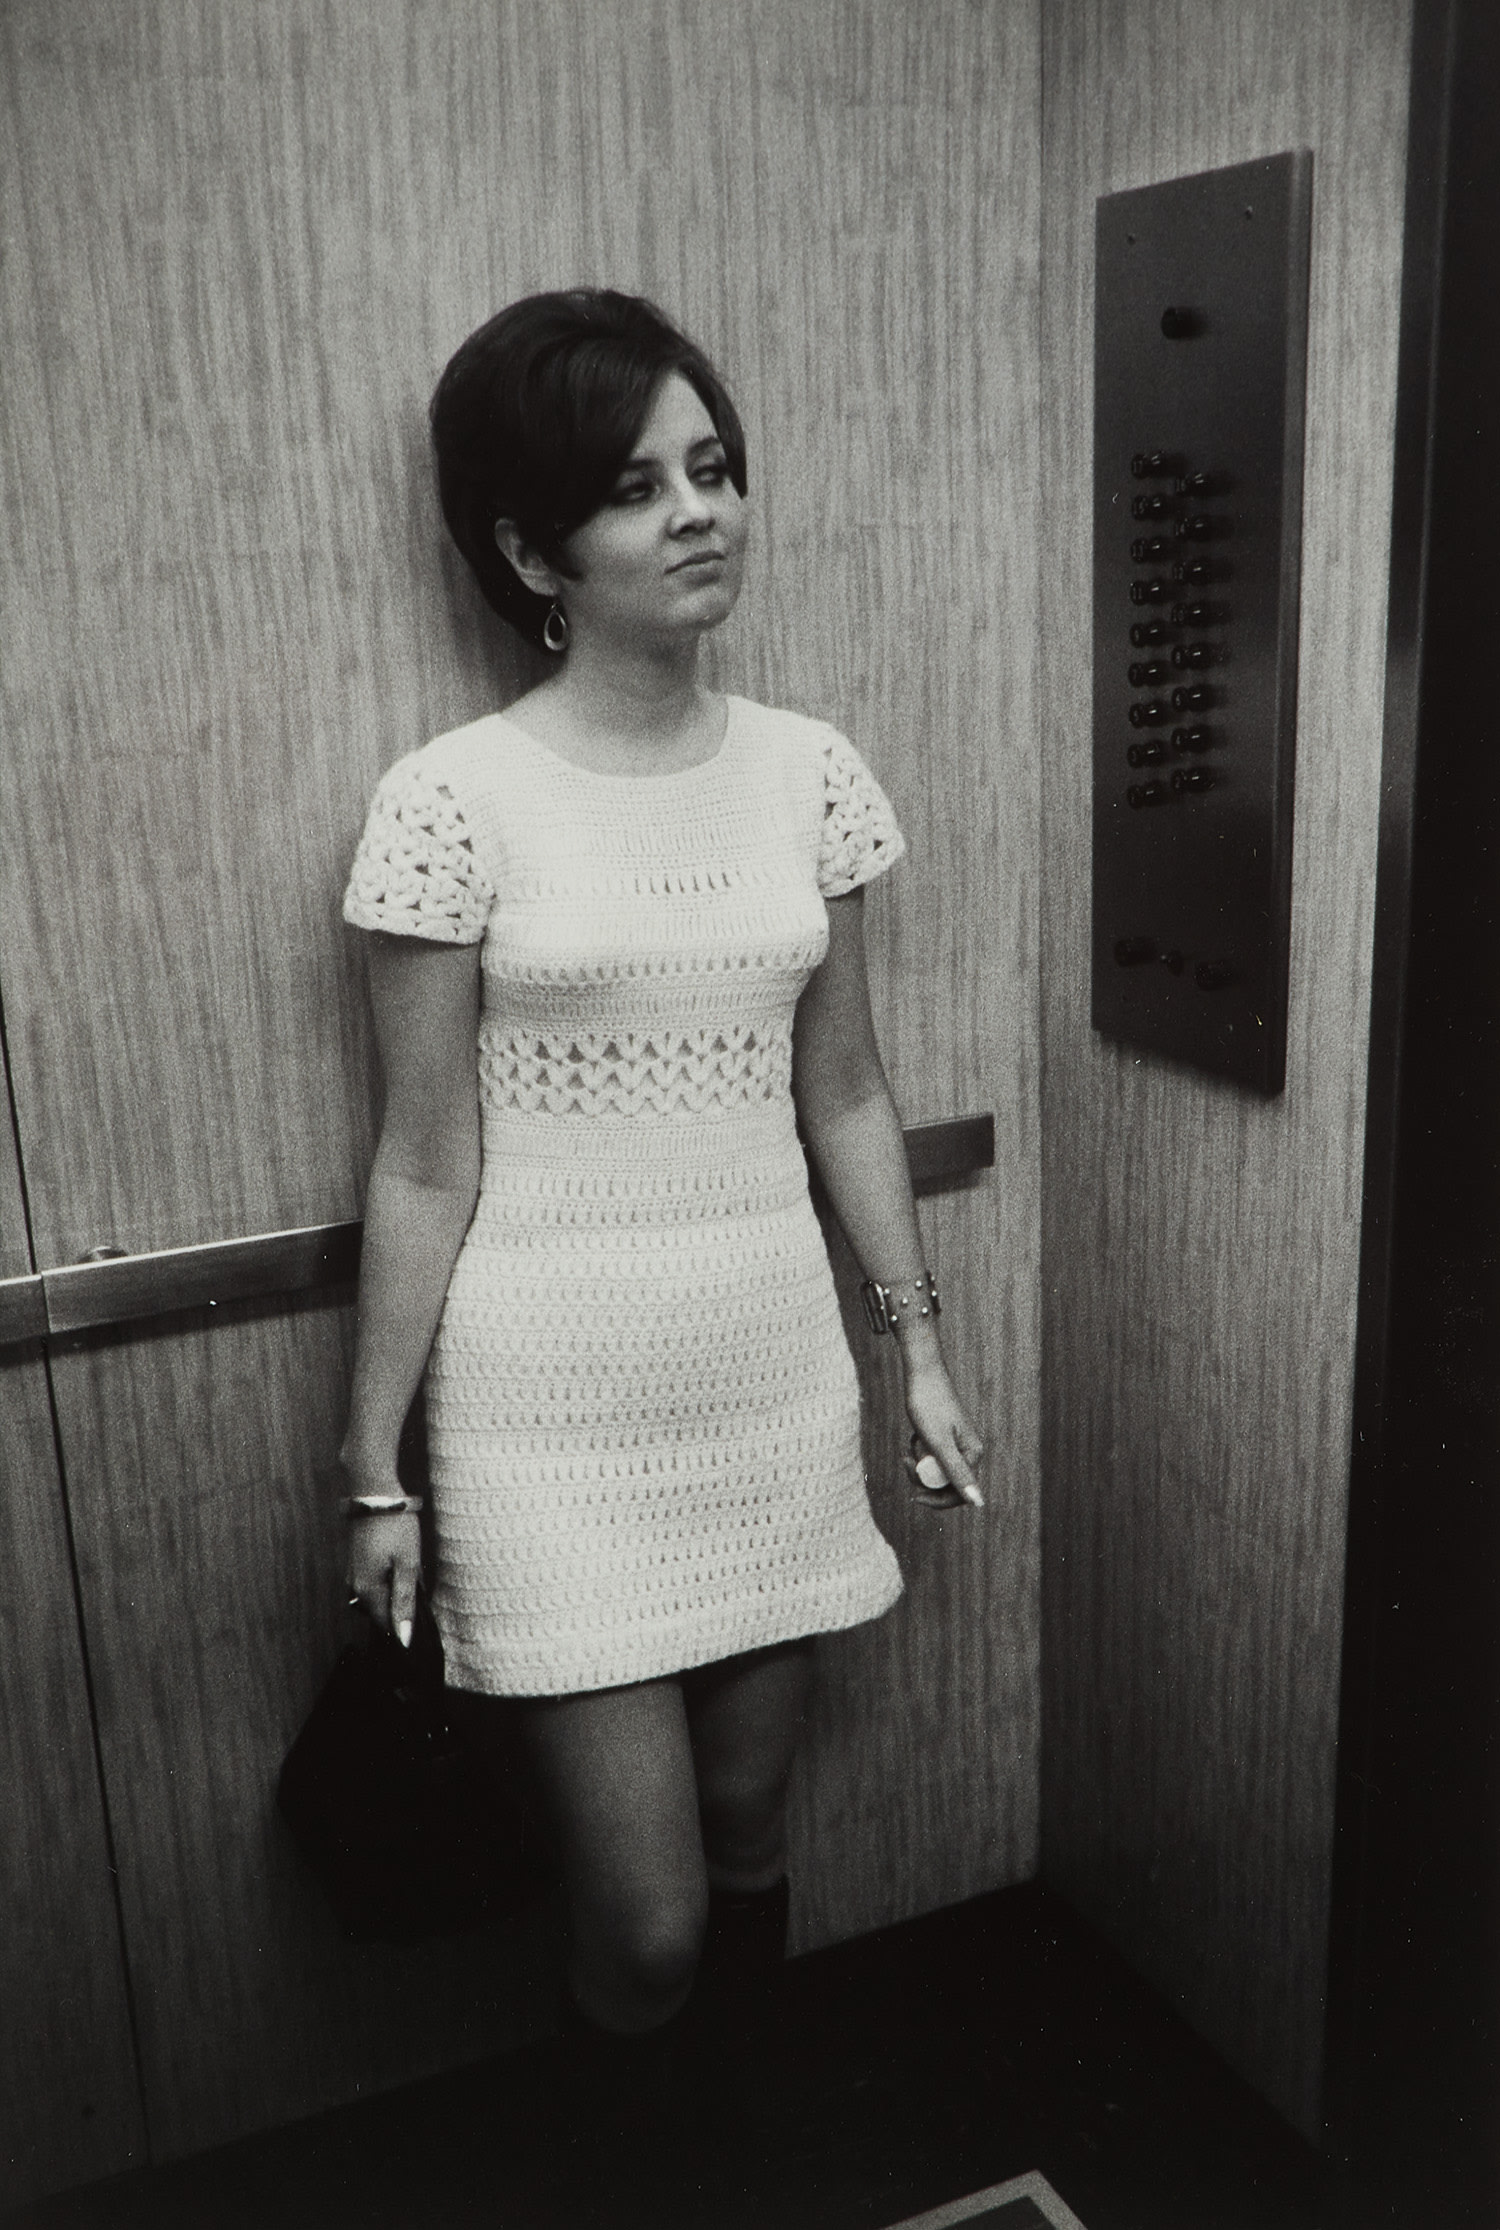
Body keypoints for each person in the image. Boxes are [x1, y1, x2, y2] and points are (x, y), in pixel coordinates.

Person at [337, 288, 983, 2125]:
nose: (702, 510)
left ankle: (737, 2161)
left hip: (763, 1378)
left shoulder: (812, 774)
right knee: (644, 1925)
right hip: (548, 1414)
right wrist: (373, 1470)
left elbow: (843, 1084)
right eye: (638, 488)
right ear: (532, 547)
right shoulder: (450, 805)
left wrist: (912, 1349)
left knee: (755, 1817)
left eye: (715, 467)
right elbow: (421, 1156)